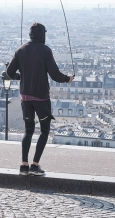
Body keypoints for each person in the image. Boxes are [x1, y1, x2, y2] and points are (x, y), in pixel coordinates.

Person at [4, 22, 74, 176]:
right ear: (43, 34)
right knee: (44, 130)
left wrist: (19, 76)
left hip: (25, 97)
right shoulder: (45, 50)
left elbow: (9, 73)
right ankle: (35, 165)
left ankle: (24, 165)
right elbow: (54, 74)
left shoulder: (20, 50)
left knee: (28, 131)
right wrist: (67, 79)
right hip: (41, 97)